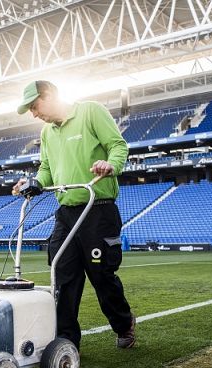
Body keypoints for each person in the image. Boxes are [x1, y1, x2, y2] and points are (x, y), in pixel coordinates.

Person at [12, 80, 135, 350]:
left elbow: (118, 146)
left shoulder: (91, 111)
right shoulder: (47, 132)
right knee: (63, 277)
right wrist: (35, 182)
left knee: (102, 276)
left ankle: (124, 323)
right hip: (66, 213)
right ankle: (66, 341)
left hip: (98, 208)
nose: (34, 114)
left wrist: (110, 164)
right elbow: (46, 168)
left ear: (50, 94)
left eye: (35, 106)